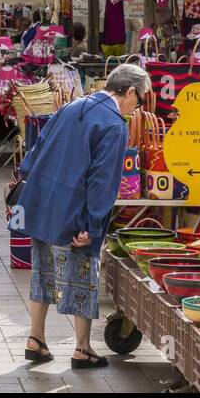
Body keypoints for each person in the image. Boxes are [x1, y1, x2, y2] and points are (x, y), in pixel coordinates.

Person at [16, 63, 148, 368]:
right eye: (140, 100)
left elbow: (38, 147)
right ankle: (83, 348)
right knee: (81, 275)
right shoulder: (114, 125)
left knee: (42, 272)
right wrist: (93, 223)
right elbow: (103, 181)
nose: (137, 107)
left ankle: (35, 339)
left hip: (42, 202)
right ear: (129, 92)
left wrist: (31, 185)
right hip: (75, 210)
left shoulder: (73, 106)